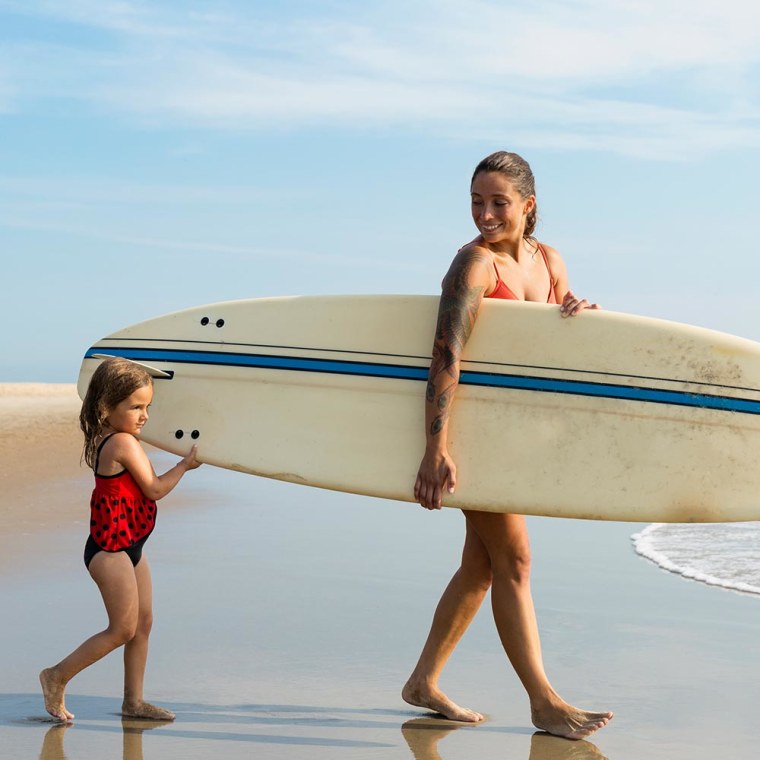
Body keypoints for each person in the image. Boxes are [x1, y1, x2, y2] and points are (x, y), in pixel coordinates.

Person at [402, 151, 613, 740]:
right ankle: (543, 701)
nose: (486, 214)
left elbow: (546, 348)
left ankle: (423, 681)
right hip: (469, 435)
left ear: (529, 205)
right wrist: (434, 446)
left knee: (482, 565)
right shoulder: (473, 265)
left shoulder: (549, 262)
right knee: (514, 561)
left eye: (498, 202)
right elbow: (446, 353)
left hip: (516, 436)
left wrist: (577, 311)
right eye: (476, 201)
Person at [40, 356, 201, 723]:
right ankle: (56, 676)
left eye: (148, 406)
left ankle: (134, 702)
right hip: (110, 551)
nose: (145, 415)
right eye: (136, 407)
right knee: (123, 628)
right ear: (106, 409)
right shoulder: (122, 443)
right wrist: (185, 465)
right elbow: (155, 488)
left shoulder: (116, 435)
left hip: (130, 544)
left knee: (143, 623)